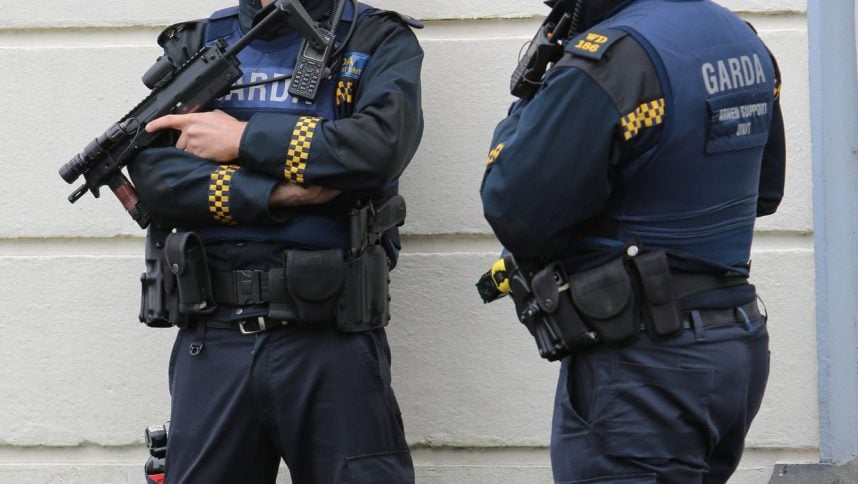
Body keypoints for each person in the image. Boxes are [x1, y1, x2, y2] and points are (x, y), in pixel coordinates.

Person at [480, 0, 785, 482]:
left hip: (644, 369)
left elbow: (514, 210)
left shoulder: (608, 62)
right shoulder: (739, 36)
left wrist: (528, 107)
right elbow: (764, 194)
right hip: (732, 345)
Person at [127, 0, 424, 482]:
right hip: (214, 337)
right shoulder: (201, 42)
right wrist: (274, 192)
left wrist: (241, 140)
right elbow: (154, 171)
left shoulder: (374, 38)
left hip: (331, 340)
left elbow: (376, 147)